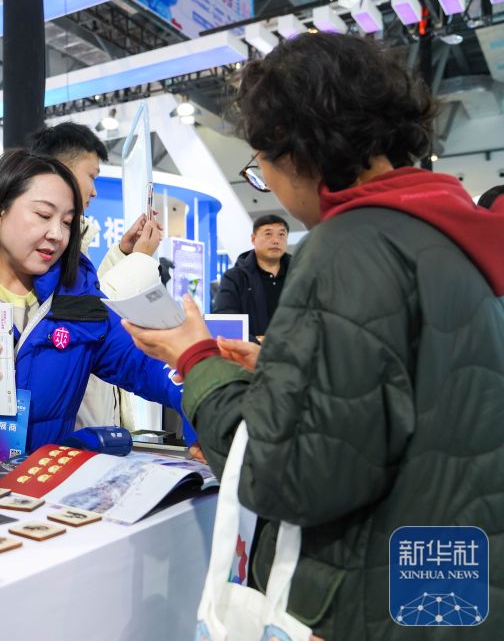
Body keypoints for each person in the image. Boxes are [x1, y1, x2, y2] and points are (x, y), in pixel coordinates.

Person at [122, 32, 504, 639]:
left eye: (261, 165)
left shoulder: (349, 248)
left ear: (295, 147)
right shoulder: (447, 237)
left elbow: (289, 476)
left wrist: (194, 358)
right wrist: (284, 369)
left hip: (368, 601)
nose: (269, 185)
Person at [0, 149, 185, 470]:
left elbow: (144, 362)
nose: (57, 234)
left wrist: (200, 392)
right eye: (42, 215)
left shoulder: (78, 299)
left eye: (67, 222)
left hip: (39, 488)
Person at [29, 122, 164, 430]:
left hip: (93, 414)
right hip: (71, 424)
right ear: (61, 170)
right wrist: (140, 259)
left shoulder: (75, 239)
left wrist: (124, 253)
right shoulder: (46, 247)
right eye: (91, 176)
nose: (94, 190)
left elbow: (92, 297)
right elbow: (89, 315)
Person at [212, 214, 290, 342]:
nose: (276, 240)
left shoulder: (300, 275)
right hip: (250, 350)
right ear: (253, 239)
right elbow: (225, 319)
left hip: (296, 351)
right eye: (268, 234)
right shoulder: (235, 277)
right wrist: (255, 341)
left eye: (281, 234)